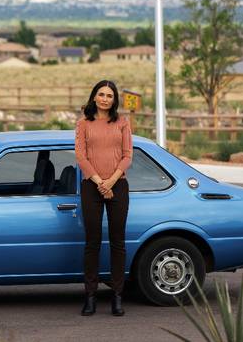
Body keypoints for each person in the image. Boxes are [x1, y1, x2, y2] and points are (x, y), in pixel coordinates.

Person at [74, 80, 133, 316]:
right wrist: (100, 182)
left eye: (109, 95)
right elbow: (81, 156)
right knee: (93, 242)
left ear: (114, 99)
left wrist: (111, 182)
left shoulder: (122, 123)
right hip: (92, 187)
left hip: (118, 185)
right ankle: (90, 297)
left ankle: (117, 297)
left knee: (118, 242)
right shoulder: (83, 124)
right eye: (101, 94)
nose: (105, 99)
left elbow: (128, 156)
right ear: (94, 97)